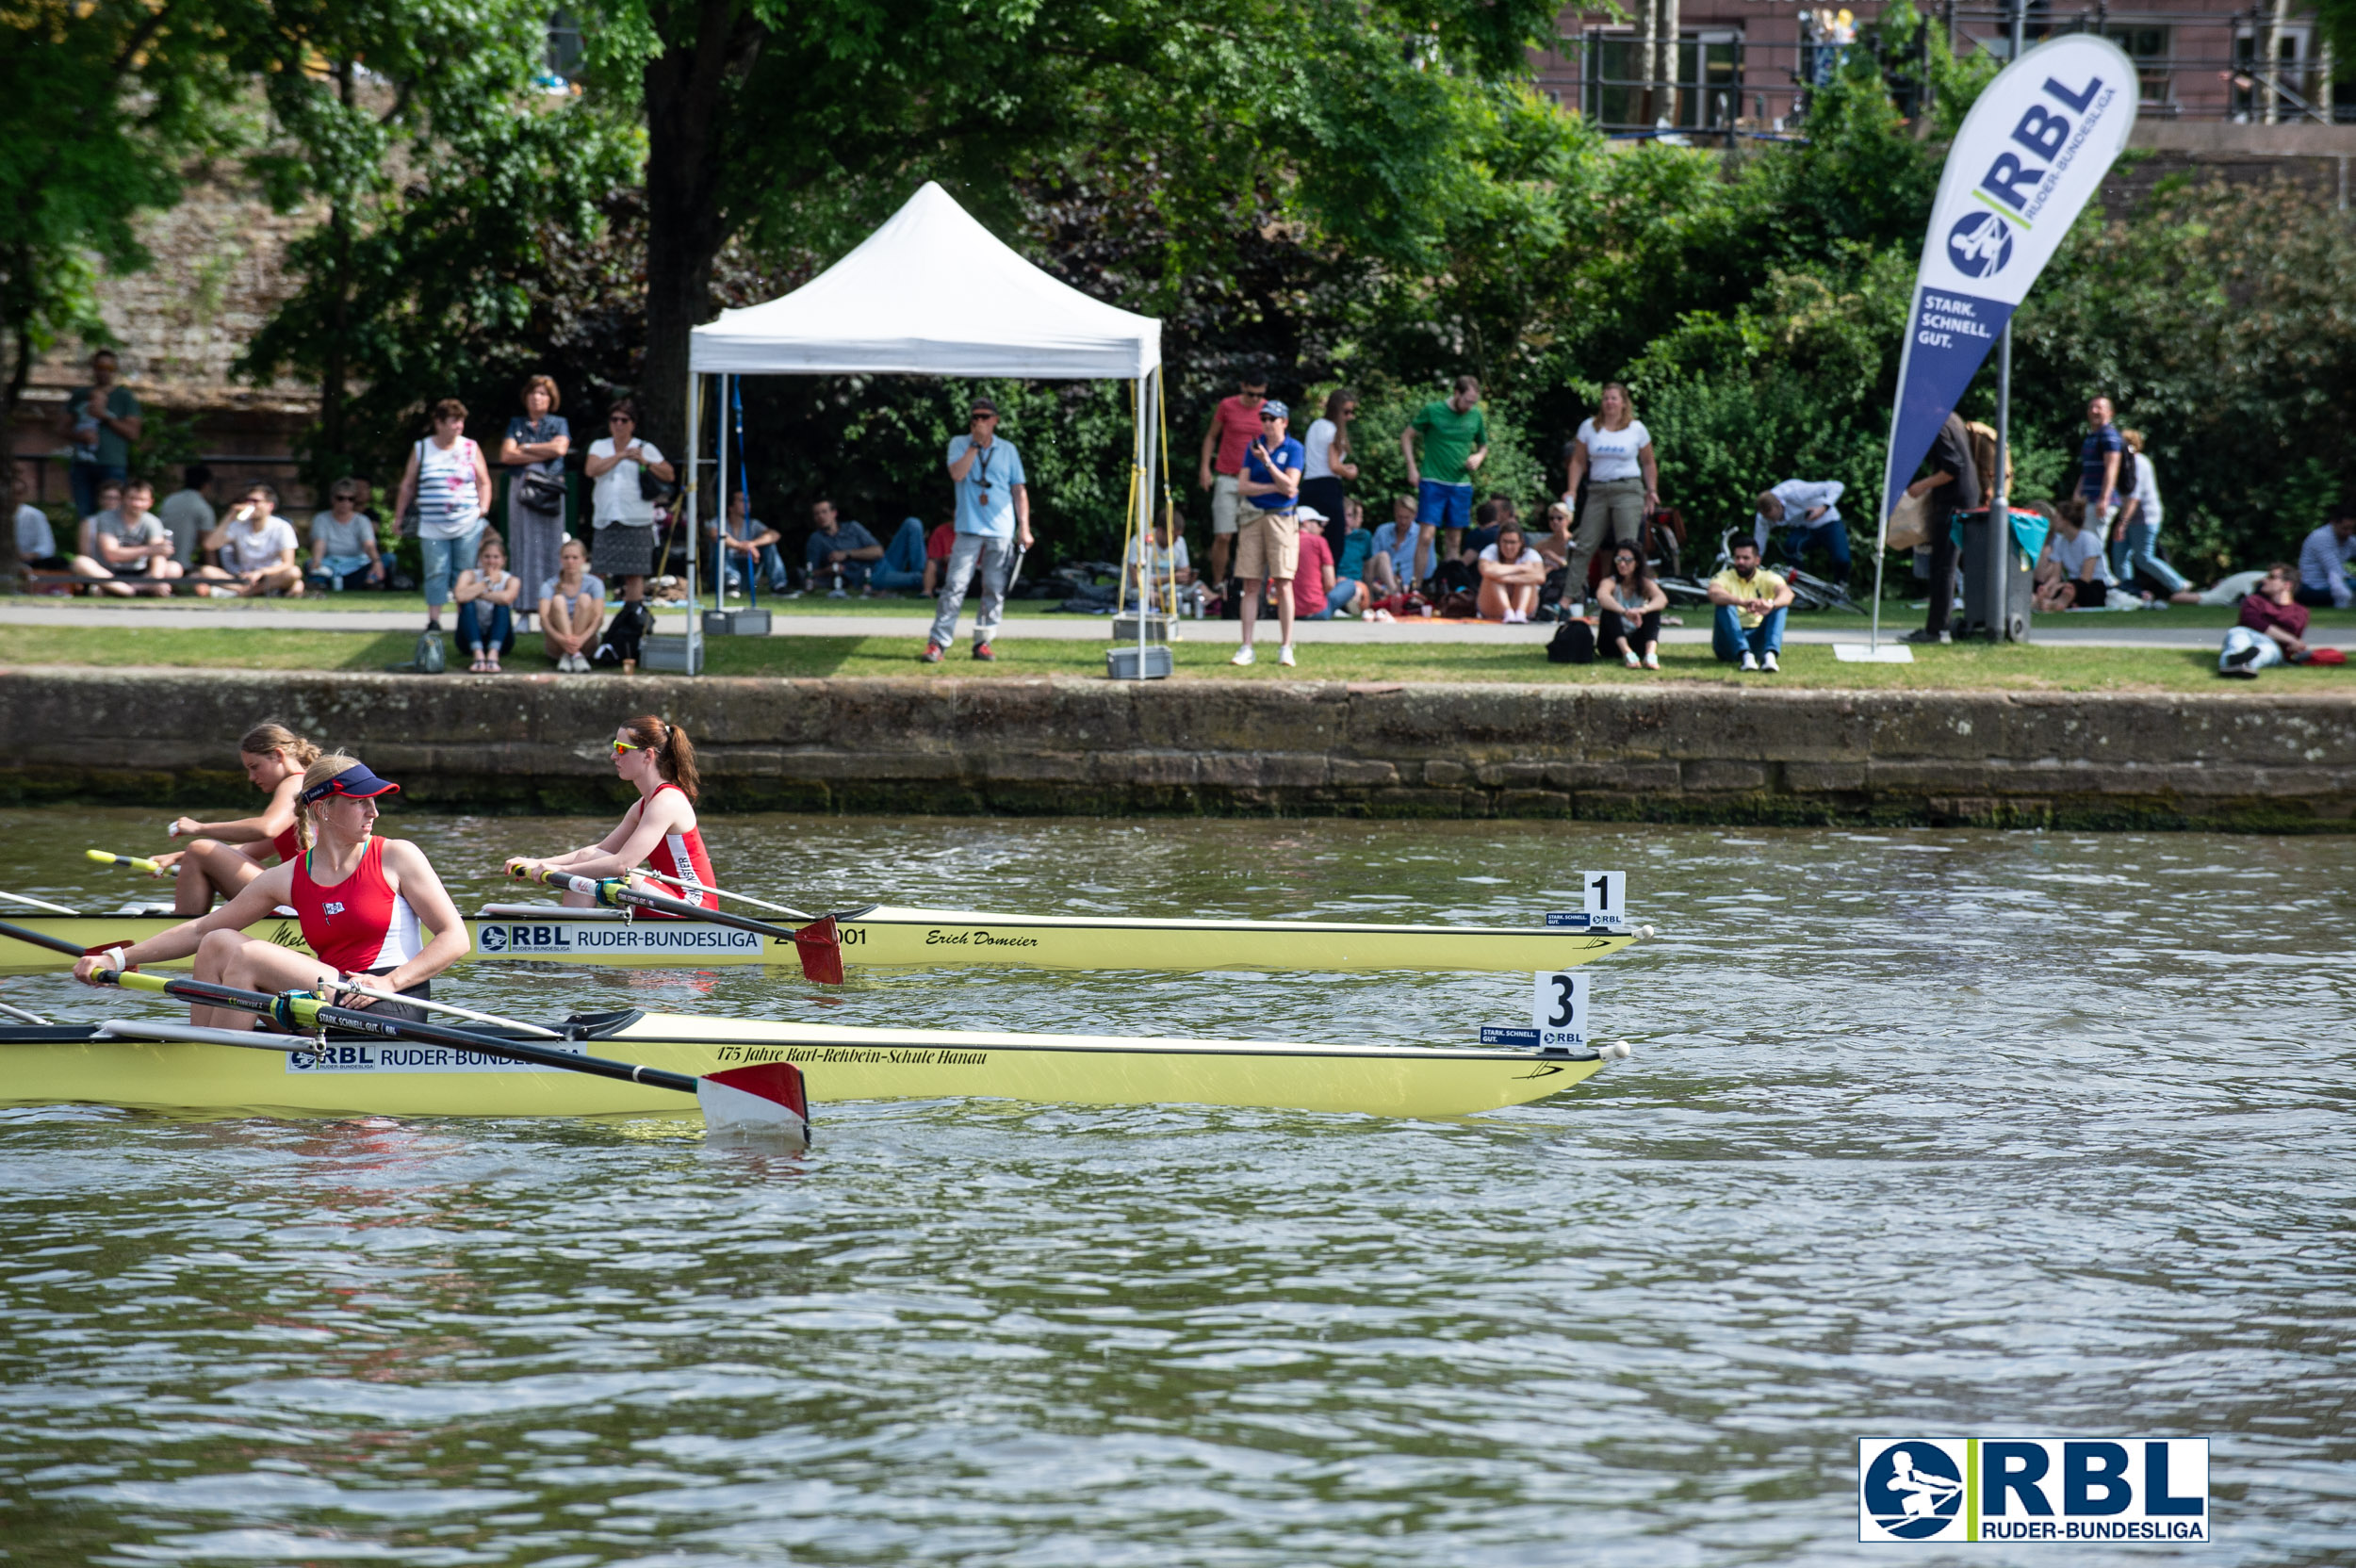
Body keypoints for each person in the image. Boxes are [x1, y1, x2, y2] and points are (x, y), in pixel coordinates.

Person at [74, 756, 469, 1030]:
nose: (374, 812)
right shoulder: (290, 876)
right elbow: (197, 931)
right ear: (324, 809)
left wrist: (390, 983)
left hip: (388, 1001)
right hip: (331, 999)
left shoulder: (397, 856)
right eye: (360, 802)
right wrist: (117, 956)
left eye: (374, 802)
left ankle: (220, 1062)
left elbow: (456, 938)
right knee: (216, 941)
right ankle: (205, 1050)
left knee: (247, 954)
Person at [505, 717, 715, 910]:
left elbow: (622, 864)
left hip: (693, 905)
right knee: (588, 857)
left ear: (648, 755)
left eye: (622, 748)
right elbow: (600, 850)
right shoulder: (643, 805)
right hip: (666, 897)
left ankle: (572, 937)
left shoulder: (667, 802)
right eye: (615, 747)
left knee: (604, 869)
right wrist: (536, 862)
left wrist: (558, 870)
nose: (613, 755)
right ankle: (573, 935)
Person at [150, 724, 320, 917]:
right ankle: (187, 931)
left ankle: (178, 937)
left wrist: (199, 827)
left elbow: (266, 828)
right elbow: (246, 852)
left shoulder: (296, 783)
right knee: (197, 852)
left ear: (278, 755)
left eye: (255, 767)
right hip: (306, 899)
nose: (251, 777)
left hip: (304, 904)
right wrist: (179, 856)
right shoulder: (309, 787)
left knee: (200, 848)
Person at [925, 398, 1032, 662]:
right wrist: (975, 444)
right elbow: (957, 475)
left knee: (994, 588)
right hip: (969, 528)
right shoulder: (958, 444)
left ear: (995, 420)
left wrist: (1025, 529)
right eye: (975, 417)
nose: (979, 421)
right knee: (954, 585)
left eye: (985, 417)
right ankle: (938, 643)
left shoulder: (1008, 449)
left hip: (1000, 529)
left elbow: (1019, 490)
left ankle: (983, 642)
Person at [394, 398, 495, 631]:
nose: (459, 426)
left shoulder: (470, 447)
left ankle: (464, 620)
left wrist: (483, 508)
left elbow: (484, 481)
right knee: (436, 570)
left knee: (464, 571)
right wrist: (399, 517)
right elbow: (408, 485)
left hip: (466, 522)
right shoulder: (422, 448)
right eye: (454, 421)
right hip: (431, 524)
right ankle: (434, 620)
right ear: (438, 423)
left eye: (461, 422)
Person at [1562, 382, 1658, 596]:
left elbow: (1649, 462)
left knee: (1627, 548)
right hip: (1598, 490)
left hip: (1628, 489)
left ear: (1624, 403)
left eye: (1614, 398)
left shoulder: (1636, 429)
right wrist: (1572, 489)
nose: (1609, 402)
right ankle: (1568, 600)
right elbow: (1577, 461)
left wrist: (1651, 490)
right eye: (1605, 398)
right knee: (1584, 545)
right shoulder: (1589, 427)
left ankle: (1627, 598)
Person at [1232, 398, 1304, 667]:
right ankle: (1246, 646)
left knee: (1284, 582)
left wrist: (1268, 465)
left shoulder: (1294, 448)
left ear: (1284, 422)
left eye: (1271, 419)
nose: (1266, 423)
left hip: (1281, 519)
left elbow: (1291, 485)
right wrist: (1273, 486)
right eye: (1263, 419)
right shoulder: (1254, 447)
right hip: (1253, 517)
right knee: (1250, 583)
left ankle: (1286, 647)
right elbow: (1242, 486)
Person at [582, 399, 672, 613]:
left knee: (634, 573)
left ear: (633, 423)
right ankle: (590, 617)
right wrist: (621, 455)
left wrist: (645, 461)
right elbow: (591, 470)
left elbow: (669, 474)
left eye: (624, 420)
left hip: (636, 517)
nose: (619, 424)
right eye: (614, 419)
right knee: (599, 571)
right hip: (606, 517)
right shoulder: (600, 446)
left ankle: (632, 619)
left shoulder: (644, 448)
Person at [1904, 410, 1983, 645]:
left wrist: (1922, 485)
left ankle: (1935, 629)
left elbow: (1952, 467)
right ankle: (1953, 622)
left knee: (1942, 566)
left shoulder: (1938, 425)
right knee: (1954, 565)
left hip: (1953, 502)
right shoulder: (1953, 418)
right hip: (1965, 498)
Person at [1401, 376, 1489, 574]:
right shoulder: (1433, 411)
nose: (1470, 406)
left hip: (1460, 484)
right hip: (1433, 481)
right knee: (1426, 537)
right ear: (1456, 393)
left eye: (1473, 402)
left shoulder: (1475, 415)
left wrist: (1479, 456)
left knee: (1454, 541)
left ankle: (1450, 591)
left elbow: (1483, 445)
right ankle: (1417, 588)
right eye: (1467, 400)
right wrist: (1412, 467)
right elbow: (1407, 436)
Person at [499, 375, 572, 606]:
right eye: (533, 393)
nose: (536, 398)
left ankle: (549, 606)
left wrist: (527, 447)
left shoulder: (559, 423)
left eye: (542, 393)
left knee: (550, 545)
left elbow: (560, 448)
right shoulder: (516, 423)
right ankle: (522, 606)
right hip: (522, 487)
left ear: (551, 399)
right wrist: (544, 450)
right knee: (522, 544)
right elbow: (507, 455)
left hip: (549, 488)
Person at [1196, 371, 1269, 591]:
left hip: (1254, 480)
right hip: (1228, 477)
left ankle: (1254, 587)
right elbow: (1211, 437)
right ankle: (1219, 585)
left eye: (1259, 395)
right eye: (1250, 393)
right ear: (1242, 385)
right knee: (1224, 536)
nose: (1255, 399)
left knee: (1253, 538)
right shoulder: (1227, 406)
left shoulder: (1268, 410)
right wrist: (1204, 469)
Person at [2113, 431, 2198, 605]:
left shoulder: (2139, 463)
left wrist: (2122, 523)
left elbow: (2134, 498)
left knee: (2144, 557)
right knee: (2119, 554)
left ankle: (2179, 584)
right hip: (2128, 516)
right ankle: (2128, 591)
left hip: (2145, 517)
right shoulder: (2122, 464)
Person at [59, 350, 142, 518]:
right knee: (85, 515)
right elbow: (61, 428)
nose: (104, 371)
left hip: (112, 464)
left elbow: (133, 433)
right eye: (100, 366)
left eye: (109, 367)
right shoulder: (81, 395)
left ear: (115, 369)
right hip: (82, 463)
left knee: (114, 513)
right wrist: (80, 436)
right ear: (93, 368)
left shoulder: (124, 396)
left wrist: (104, 417)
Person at [74, 477, 181, 596]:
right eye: (132, 499)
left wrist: (155, 578)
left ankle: (121, 590)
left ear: (150, 502)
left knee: (174, 568)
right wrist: (149, 550)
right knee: (80, 562)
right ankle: (129, 590)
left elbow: (158, 556)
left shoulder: (153, 522)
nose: (137, 504)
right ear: (123, 499)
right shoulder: (106, 518)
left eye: (142, 499)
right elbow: (111, 554)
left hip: (140, 574)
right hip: (109, 572)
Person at [195, 484, 303, 596]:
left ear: (270, 506)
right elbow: (209, 545)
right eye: (248, 501)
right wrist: (230, 516)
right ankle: (250, 591)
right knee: (206, 571)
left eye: (255, 501)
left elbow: (288, 564)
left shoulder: (282, 527)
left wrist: (261, 572)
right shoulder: (238, 525)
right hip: (243, 577)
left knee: (294, 573)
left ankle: (243, 593)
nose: (250, 505)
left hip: (269, 577)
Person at [1709, 536, 1792, 672]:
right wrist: (1741, 602)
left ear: (1757, 560)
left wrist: (1770, 604)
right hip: (1728, 642)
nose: (1740, 562)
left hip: (1757, 638)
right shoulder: (1725, 576)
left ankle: (1770, 655)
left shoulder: (1767, 577)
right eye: (1737, 558)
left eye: (1746, 558)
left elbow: (1787, 593)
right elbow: (1713, 592)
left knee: (1779, 607)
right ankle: (1745, 655)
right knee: (1724, 604)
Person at [2220, 564, 2320, 678]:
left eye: (2271, 577)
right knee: (2237, 634)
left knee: (2266, 650)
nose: (2264, 580)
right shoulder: (2254, 600)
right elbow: (2251, 621)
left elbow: (2288, 644)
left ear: (2287, 585)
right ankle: (2234, 661)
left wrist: (2293, 644)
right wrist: (2291, 640)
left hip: (2272, 644)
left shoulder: (2300, 611)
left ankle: (2238, 664)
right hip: (2247, 634)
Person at [454, 532, 521, 672]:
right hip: (467, 638)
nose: (491, 561)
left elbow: (506, 598)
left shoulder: (511, 580)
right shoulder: (469, 575)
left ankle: (493, 655)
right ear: (480, 558)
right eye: (487, 556)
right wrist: (487, 583)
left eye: (496, 557)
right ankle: (478, 655)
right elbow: (460, 596)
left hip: (502, 639)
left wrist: (476, 594)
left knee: (502, 607)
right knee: (467, 604)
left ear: (504, 560)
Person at [1755, 478, 1848, 579]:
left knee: (1842, 559)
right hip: (1805, 528)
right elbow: (1759, 541)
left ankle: (1840, 585)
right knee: (1791, 547)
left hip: (1829, 522)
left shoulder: (1794, 491)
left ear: (1780, 504)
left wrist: (1823, 508)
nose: (1774, 522)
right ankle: (1798, 582)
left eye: (1774, 518)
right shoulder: (1762, 517)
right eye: (1770, 519)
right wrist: (1755, 563)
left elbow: (1837, 486)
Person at [2033, 500, 2116, 612]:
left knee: (2074, 587)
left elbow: (2086, 577)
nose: (2054, 521)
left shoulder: (2088, 539)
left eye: (2057, 517)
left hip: (2091, 585)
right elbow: (2055, 576)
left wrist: (2061, 586)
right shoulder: (2060, 542)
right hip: (2070, 584)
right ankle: (2053, 602)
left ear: (2065, 521)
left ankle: (2056, 603)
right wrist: (2047, 587)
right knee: (2045, 587)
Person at [305, 478, 385, 592]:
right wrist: (317, 561)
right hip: (330, 565)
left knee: (387, 559)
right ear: (332, 499)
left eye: (350, 499)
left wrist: (376, 562)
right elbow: (320, 542)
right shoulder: (321, 518)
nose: (345, 503)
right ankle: (318, 584)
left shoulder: (362, 520)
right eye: (340, 498)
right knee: (310, 564)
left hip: (358, 565)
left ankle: (370, 582)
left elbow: (369, 545)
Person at [1299, 388, 1359, 537]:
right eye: (1346, 412)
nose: (1350, 416)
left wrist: (1343, 467)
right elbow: (1334, 466)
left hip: (1308, 486)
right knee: (1334, 542)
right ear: (1336, 410)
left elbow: (1321, 462)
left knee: (1309, 541)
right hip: (1327, 489)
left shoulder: (1315, 425)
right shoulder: (1331, 430)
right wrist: (1350, 472)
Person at [539, 537, 605, 672]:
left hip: (585, 641)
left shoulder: (595, 584)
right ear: (560, 559)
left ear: (583, 559)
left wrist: (581, 639)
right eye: (566, 557)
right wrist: (562, 640)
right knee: (558, 600)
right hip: (557, 642)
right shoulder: (549, 585)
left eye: (575, 557)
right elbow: (544, 619)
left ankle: (570, 655)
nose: (570, 562)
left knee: (585, 599)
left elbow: (599, 617)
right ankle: (575, 655)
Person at [1598, 542, 1668, 669]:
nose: (1622, 564)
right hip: (1612, 644)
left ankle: (1650, 655)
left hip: (1636, 641)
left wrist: (1643, 610)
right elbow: (1602, 597)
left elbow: (1662, 599)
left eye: (1627, 560)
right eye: (1619, 559)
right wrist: (1625, 612)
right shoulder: (1610, 582)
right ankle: (1627, 654)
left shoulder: (1645, 583)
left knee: (1654, 611)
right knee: (1609, 610)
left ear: (1637, 563)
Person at [1293, 506, 1364, 622]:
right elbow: (1330, 584)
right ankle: (1342, 608)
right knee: (1350, 584)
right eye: (1320, 523)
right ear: (1306, 523)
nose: (1322, 528)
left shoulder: (1286, 542)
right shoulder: (1319, 542)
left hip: (1288, 610)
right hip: (1317, 611)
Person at [709, 491, 788, 594]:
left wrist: (752, 544)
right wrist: (740, 546)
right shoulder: (718, 522)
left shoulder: (753, 524)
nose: (747, 504)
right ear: (730, 507)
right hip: (722, 577)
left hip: (747, 573)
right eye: (742, 501)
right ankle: (731, 583)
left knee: (769, 545)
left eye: (748, 501)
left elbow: (774, 535)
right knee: (720, 544)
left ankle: (779, 585)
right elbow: (715, 535)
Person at [802, 499, 882, 596]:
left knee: (906, 524)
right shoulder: (816, 539)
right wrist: (828, 570)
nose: (821, 516)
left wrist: (847, 554)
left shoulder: (853, 527)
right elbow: (811, 572)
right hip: (864, 579)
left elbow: (878, 551)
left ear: (834, 513)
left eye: (824, 512)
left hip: (879, 567)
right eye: (816, 514)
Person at [1476, 521, 1546, 623]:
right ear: (1499, 541)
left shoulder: (1531, 554)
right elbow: (1485, 571)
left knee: (1527, 579)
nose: (1508, 547)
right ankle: (1507, 612)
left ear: (1520, 543)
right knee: (1491, 577)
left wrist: (1505, 576)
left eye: (1512, 542)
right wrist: (1521, 568)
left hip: (1523, 605)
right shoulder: (1490, 551)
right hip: (1491, 606)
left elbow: (1540, 577)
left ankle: (1520, 613)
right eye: (1505, 542)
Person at [2078, 395, 2125, 545]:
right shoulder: (2092, 437)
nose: (2094, 411)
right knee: (2089, 547)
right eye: (2091, 407)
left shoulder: (2109, 435)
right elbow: (2086, 470)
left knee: (2093, 547)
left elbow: (2112, 467)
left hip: (2101, 500)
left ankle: (2099, 570)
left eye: (2099, 407)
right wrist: (2078, 493)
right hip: (2089, 499)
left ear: (2110, 412)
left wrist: (2104, 499)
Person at [1121, 513, 1193, 611]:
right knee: (1156, 597)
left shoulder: (1180, 542)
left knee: (1199, 589)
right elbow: (1136, 582)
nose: (1176, 540)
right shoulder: (1141, 541)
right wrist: (1171, 578)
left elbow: (1186, 571)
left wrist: (1186, 577)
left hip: (1168, 588)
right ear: (1160, 530)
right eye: (1173, 536)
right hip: (1141, 589)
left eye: (1178, 536)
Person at [2295, 508, 2356, 609]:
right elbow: (2335, 571)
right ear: (2334, 523)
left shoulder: (2348, 539)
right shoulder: (2321, 537)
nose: (2349, 532)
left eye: (2353, 528)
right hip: (2314, 587)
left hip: (2333, 583)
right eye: (2345, 528)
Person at [1367, 493, 1429, 593]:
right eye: (1400, 517)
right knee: (1382, 556)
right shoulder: (1382, 531)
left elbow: (1428, 571)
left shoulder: (1422, 536)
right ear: (1394, 514)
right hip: (1379, 585)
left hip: (1408, 588)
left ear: (1415, 515)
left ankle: (1396, 593)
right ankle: (1394, 592)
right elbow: (1371, 563)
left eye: (1407, 517)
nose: (1403, 522)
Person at [155, 465, 214, 569]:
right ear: (206, 485)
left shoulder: (169, 500)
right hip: (184, 566)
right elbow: (208, 544)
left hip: (161, 562)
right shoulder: (203, 507)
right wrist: (214, 571)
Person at [11, 464, 65, 571]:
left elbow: (47, 547)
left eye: (18, 493)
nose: (13, 497)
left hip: (30, 564)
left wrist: (27, 556)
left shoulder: (35, 515)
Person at [871, 516, 929, 594]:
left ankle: (922, 573)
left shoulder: (852, 527)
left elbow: (878, 551)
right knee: (924, 578)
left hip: (885, 561)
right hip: (874, 575)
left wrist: (849, 553)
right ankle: (925, 583)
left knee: (912, 523)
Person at [922, 511, 958, 597]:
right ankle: (927, 592)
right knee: (931, 563)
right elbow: (933, 557)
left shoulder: (974, 534)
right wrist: (945, 558)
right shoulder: (940, 531)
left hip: (969, 573)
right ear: (953, 513)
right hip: (945, 571)